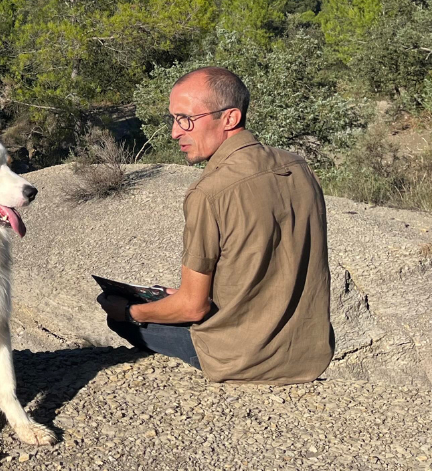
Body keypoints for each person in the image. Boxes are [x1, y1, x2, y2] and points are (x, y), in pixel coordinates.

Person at [97, 66, 334, 384]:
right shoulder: (299, 167)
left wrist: (130, 313)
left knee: (120, 316)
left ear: (230, 118)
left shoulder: (209, 192)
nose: (175, 132)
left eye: (186, 120)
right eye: (173, 119)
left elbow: (194, 308)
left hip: (239, 358)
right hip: (308, 353)